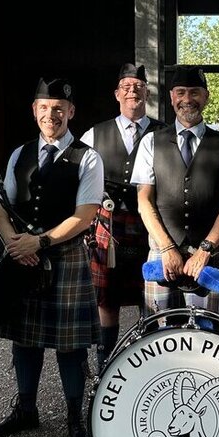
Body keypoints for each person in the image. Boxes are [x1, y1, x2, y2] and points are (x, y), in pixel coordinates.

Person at [0, 78, 103, 437]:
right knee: (24, 339)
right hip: (23, 254)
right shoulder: (19, 154)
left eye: (59, 109)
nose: (51, 115)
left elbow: (85, 215)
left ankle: (74, 416)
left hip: (63, 256)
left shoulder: (87, 157)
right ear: (34, 110)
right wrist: (12, 242)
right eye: (44, 107)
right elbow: (1, 207)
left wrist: (41, 240)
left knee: (70, 345)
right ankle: (26, 408)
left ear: (70, 112)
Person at [132, 65, 219, 324]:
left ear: (206, 97)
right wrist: (167, 248)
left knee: (216, 335)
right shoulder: (151, 142)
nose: (187, 99)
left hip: (213, 253)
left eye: (194, 92)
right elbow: (144, 201)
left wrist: (205, 250)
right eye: (181, 92)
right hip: (163, 251)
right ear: (172, 97)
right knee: (160, 336)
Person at [80, 64, 166, 370]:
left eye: (139, 86)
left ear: (147, 92)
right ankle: (105, 365)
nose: (133, 91)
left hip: (154, 227)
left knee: (153, 296)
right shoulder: (94, 134)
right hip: (109, 226)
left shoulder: (165, 133)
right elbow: (81, 180)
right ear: (117, 94)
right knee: (107, 299)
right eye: (127, 86)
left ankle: (150, 365)